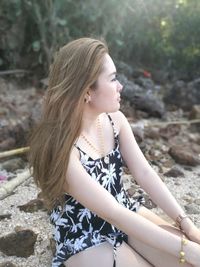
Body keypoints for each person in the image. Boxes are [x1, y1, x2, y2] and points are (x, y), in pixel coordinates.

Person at [29, 37, 200, 267]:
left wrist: (185, 223)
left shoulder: (114, 121)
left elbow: (145, 173)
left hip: (126, 213)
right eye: (113, 79)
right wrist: (185, 249)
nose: (120, 86)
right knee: (187, 254)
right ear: (87, 91)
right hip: (86, 235)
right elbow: (112, 212)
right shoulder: (62, 148)